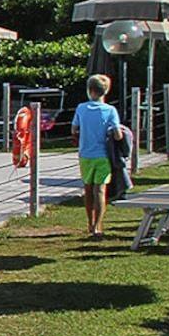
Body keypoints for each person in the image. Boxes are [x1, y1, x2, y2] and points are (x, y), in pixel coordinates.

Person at [72, 74, 123, 237]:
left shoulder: (81, 108)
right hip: (103, 155)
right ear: (106, 91)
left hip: (85, 155)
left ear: (90, 90)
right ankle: (97, 225)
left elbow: (74, 129)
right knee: (100, 191)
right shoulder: (110, 110)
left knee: (88, 190)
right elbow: (118, 135)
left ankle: (89, 222)